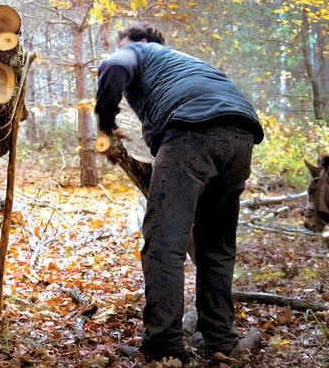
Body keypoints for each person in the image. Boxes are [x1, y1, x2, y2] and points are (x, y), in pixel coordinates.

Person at [95, 23, 264, 363]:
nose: (120, 49)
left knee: (163, 245)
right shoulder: (187, 62)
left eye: (123, 44)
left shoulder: (140, 51)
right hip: (241, 135)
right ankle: (220, 340)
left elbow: (112, 67)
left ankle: (164, 346)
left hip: (192, 131)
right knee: (215, 246)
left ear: (141, 42)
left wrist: (104, 122)